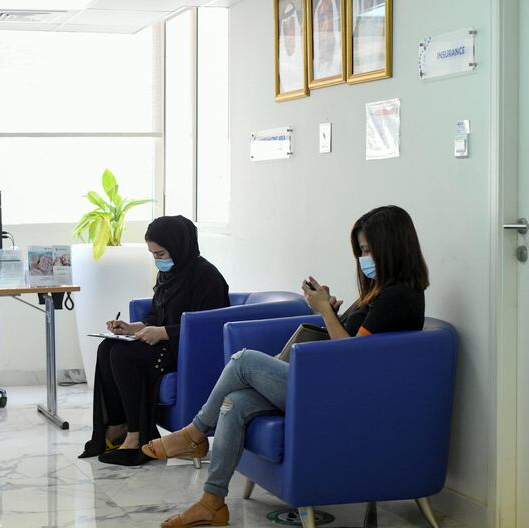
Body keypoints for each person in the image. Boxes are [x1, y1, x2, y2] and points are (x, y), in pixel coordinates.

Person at [143, 205, 429, 528]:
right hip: (325, 383)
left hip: (337, 393)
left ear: (390, 249)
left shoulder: (399, 298)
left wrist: (324, 311)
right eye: (361, 250)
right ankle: (212, 502)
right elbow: (351, 341)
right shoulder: (381, 294)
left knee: (244, 360)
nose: (363, 258)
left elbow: (350, 355)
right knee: (233, 404)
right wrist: (332, 311)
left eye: (367, 250)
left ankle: (193, 433)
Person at [79, 215, 230, 466]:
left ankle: (137, 437)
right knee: (108, 347)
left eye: (161, 254)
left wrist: (162, 333)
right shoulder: (169, 275)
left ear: (179, 246)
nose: (158, 261)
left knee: (122, 354)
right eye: (154, 255)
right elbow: (156, 313)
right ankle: (118, 425)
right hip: (166, 344)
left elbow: (208, 328)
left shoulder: (207, 277)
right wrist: (133, 327)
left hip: (187, 351)